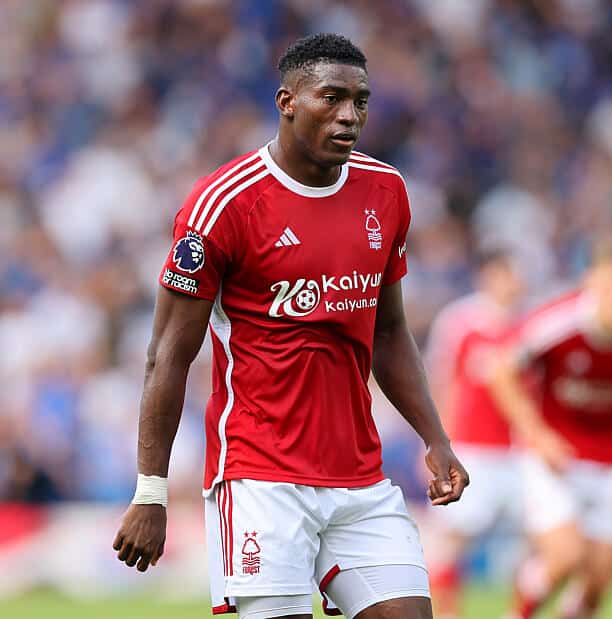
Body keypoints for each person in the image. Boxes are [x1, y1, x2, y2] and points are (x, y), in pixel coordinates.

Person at [112, 33, 469, 619]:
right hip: (259, 477)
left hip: (359, 476)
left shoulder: (387, 191)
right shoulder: (223, 204)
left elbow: (387, 330)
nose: (350, 116)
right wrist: (151, 491)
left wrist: (436, 437)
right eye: (332, 98)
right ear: (288, 102)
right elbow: (168, 354)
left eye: (361, 101)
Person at [489, 233, 612, 619]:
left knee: (599, 581)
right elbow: (501, 372)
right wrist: (538, 436)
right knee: (565, 556)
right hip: (556, 458)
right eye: (609, 285)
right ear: (590, 282)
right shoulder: (557, 322)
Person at [423, 249, 527, 619]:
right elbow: (440, 382)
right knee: (452, 537)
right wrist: (437, 443)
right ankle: (448, 614)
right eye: (509, 273)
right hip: (472, 449)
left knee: (540, 541)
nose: (516, 281)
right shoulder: (459, 322)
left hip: (520, 453)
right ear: (489, 275)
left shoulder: (529, 324)